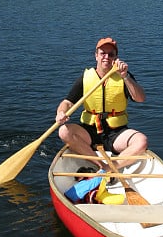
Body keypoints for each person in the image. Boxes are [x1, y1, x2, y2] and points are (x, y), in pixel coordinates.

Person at [56, 37, 147, 170]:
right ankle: (100, 165)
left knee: (141, 141)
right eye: (102, 53)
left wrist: (125, 76)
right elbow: (67, 102)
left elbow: (140, 98)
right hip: (90, 131)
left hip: (116, 132)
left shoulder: (124, 76)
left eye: (111, 54)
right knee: (64, 131)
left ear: (116, 57)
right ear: (96, 56)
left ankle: (112, 166)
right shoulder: (85, 78)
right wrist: (61, 112)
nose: (106, 57)